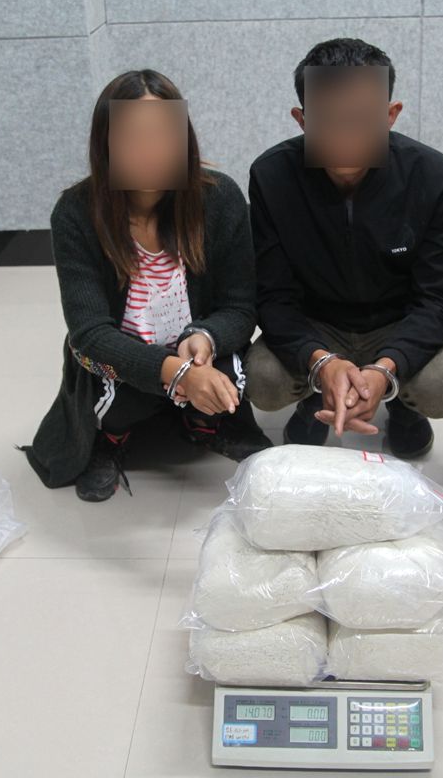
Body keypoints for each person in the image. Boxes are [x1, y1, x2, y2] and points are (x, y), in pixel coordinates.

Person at [20, 69, 271, 502]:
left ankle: (204, 423)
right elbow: (89, 331)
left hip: (198, 348)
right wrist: (174, 373)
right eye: (133, 137)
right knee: (116, 391)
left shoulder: (219, 198)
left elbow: (239, 307)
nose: (151, 151)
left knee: (234, 376)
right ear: (106, 144)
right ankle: (110, 438)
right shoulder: (76, 212)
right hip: (123, 350)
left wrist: (204, 338)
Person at [244, 38, 443, 458]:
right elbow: (272, 296)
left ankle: (400, 405)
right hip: (317, 321)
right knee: (264, 380)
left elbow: (434, 302)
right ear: (302, 119)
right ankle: (316, 394)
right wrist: (321, 362)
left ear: (390, 115)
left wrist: (386, 369)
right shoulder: (272, 176)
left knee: (441, 387)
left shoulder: (431, 175)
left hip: (393, 322)